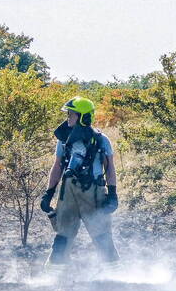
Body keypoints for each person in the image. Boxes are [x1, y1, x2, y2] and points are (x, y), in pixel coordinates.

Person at [40, 96, 119, 268]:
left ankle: (114, 273)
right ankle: (54, 273)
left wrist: (112, 194)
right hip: (68, 191)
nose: (68, 116)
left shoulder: (101, 139)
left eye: (71, 114)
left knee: (101, 233)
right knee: (63, 233)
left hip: (94, 191)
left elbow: (110, 168)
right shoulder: (64, 140)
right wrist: (49, 193)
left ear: (83, 117)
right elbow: (57, 167)